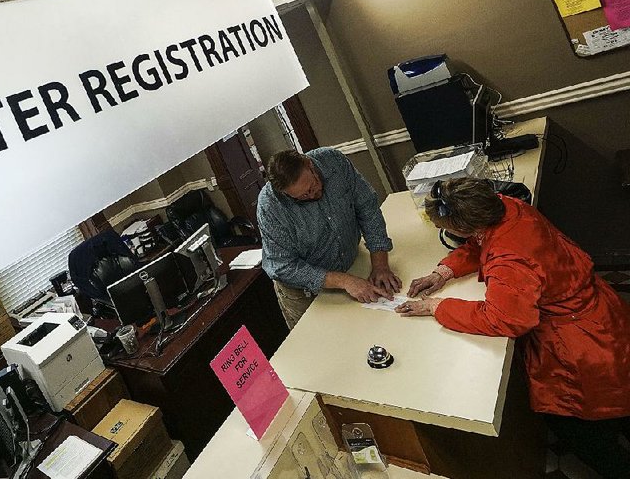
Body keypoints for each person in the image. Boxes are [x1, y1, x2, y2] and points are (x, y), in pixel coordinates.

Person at [395, 178, 630, 478]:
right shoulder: (507, 206)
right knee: (622, 396)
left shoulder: (509, 260)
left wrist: (437, 307)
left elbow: (504, 319)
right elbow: (481, 243)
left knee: (580, 426)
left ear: (461, 226)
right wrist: (444, 271)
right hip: (605, 316)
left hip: (582, 344)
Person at [257, 148, 401, 329]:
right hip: (305, 293)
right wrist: (345, 281)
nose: (312, 195)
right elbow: (282, 266)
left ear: (309, 165)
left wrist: (380, 265)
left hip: (352, 266)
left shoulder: (334, 162)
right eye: (302, 197)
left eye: (312, 187)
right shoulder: (270, 206)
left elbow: (367, 208)